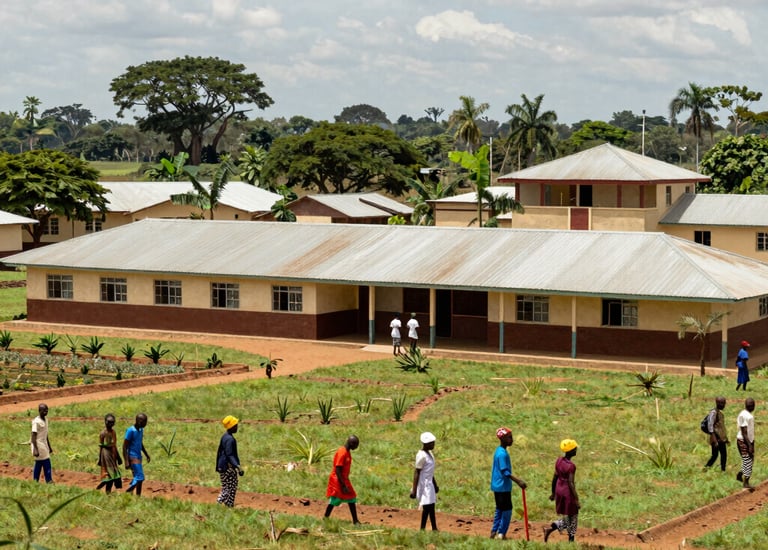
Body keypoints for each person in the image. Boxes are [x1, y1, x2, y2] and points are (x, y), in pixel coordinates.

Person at [489, 427, 527, 540]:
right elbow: (505, 471)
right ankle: (501, 533)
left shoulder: (499, 451)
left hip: (498, 485)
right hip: (502, 487)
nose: (512, 439)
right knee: (507, 510)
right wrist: (518, 481)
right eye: (509, 437)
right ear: (502, 439)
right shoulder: (502, 454)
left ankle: (494, 531)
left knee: (499, 509)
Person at [544, 439, 581, 543]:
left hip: (559, 489)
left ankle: (555, 529)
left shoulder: (559, 460)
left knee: (569, 516)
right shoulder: (571, 466)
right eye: (574, 448)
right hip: (567, 492)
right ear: (571, 451)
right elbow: (571, 483)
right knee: (573, 516)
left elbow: (555, 477)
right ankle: (568, 538)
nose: (576, 450)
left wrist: (553, 492)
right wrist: (576, 499)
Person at [324, 435, 360, 524]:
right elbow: (338, 469)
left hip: (343, 479)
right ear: (352, 443)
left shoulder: (347, 452)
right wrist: (343, 485)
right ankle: (325, 518)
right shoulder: (342, 452)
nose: (357, 447)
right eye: (356, 445)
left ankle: (355, 521)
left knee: (351, 497)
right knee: (335, 499)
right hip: (337, 479)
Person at [410, 431, 439, 531]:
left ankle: (434, 528)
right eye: (432, 443)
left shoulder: (429, 454)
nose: (433, 444)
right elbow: (417, 472)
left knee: (431, 506)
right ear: (426, 444)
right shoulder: (422, 455)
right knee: (427, 507)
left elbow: (430, 471)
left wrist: (435, 485)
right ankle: (423, 528)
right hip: (424, 484)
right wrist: (414, 490)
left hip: (429, 483)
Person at [216, 415, 244, 507]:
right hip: (228, 467)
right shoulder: (230, 440)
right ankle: (223, 503)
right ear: (231, 427)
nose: (237, 427)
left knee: (226, 487)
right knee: (231, 487)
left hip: (222, 466)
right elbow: (230, 454)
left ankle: (226, 504)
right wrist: (238, 466)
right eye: (235, 425)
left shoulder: (225, 437)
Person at [123, 413, 151, 496]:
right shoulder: (130, 430)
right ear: (139, 421)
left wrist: (146, 454)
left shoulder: (141, 430)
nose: (146, 424)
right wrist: (126, 461)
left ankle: (137, 495)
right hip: (132, 456)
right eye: (144, 422)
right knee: (140, 477)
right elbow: (124, 447)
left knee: (137, 477)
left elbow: (140, 443)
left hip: (138, 455)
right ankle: (128, 491)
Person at [96, 413, 123, 493]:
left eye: (112, 422)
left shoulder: (113, 432)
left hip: (112, 453)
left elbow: (114, 445)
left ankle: (105, 487)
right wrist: (100, 459)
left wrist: (118, 457)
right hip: (106, 454)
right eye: (109, 422)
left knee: (114, 475)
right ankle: (106, 490)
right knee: (110, 475)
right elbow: (101, 446)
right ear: (105, 422)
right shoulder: (103, 433)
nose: (110, 424)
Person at [736, 397, 756, 491]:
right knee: (748, 460)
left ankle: (740, 474)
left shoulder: (743, 413)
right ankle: (746, 483)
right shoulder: (747, 416)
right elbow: (744, 432)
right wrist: (750, 445)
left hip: (746, 440)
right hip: (744, 441)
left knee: (748, 459)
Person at [31, 403, 53, 483]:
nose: (45, 412)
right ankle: (49, 480)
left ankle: (35, 480)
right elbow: (33, 436)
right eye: (44, 410)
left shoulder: (46, 420)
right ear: (39, 411)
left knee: (39, 462)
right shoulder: (36, 422)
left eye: (47, 410)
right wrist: (35, 449)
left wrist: (49, 447)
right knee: (46, 461)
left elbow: (45, 434)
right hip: (38, 444)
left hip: (44, 444)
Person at [704, 397, 728, 472]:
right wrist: (714, 438)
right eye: (722, 403)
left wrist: (725, 438)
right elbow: (710, 425)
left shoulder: (720, 413)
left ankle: (723, 470)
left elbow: (721, 427)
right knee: (715, 455)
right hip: (716, 437)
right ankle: (706, 468)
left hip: (721, 438)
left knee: (723, 454)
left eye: (724, 403)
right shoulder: (713, 413)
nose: (724, 405)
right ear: (717, 403)